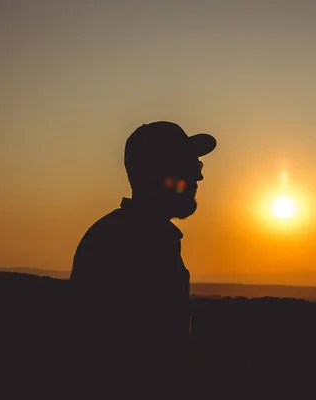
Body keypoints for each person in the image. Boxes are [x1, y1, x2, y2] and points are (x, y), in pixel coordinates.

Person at [69, 121, 216, 393]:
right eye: (190, 167)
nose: (199, 178)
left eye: (198, 166)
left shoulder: (119, 234)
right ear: (159, 174)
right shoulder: (134, 244)